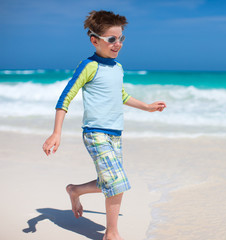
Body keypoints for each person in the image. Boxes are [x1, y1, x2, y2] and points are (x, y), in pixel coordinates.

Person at [42, 10, 166, 240]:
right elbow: (65, 97)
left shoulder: (117, 68)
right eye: (112, 39)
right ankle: (112, 234)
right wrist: (56, 132)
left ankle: (75, 190)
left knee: (108, 183)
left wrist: (147, 107)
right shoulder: (89, 66)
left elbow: (121, 95)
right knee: (117, 182)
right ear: (94, 40)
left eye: (121, 39)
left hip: (115, 134)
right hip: (95, 133)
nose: (117, 44)